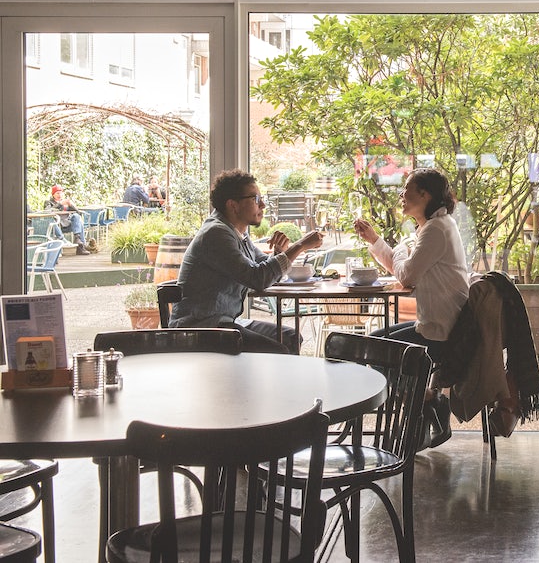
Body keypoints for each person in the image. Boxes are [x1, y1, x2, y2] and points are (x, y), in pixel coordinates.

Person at [353, 167, 471, 447]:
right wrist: (376, 241)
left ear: (425, 194)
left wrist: (402, 252)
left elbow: (406, 275)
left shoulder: (436, 229)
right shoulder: (434, 227)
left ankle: (425, 406)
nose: (401, 195)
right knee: (376, 344)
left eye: (406, 189)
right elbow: (404, 268)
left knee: (374, 349)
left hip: (440, 332)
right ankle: (427, 405)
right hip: (436, 323)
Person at [169, 169, 323, 354]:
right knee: (279, 351)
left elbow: (262, 268)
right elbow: (257, 278)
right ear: (233, 205)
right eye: (256, 199)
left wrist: (278, 252)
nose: (263, 205)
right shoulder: (216, 233)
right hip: (201, 328)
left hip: (223, 322)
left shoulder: (237, 232)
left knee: (290, 337)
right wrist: (299, 246)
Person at [44, 185, 94, 255]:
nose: (59, 195)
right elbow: (47, 211)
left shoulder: (66, 202)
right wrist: (59, 204)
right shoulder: (48, 202)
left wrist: (71, 205)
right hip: (57, 226)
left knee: (77, 218)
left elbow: (78, 213)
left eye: (61, 193)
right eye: (57, 193)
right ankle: (65, 240)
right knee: (51, 220)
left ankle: (79, 242)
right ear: (53, 194)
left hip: (67, 224)